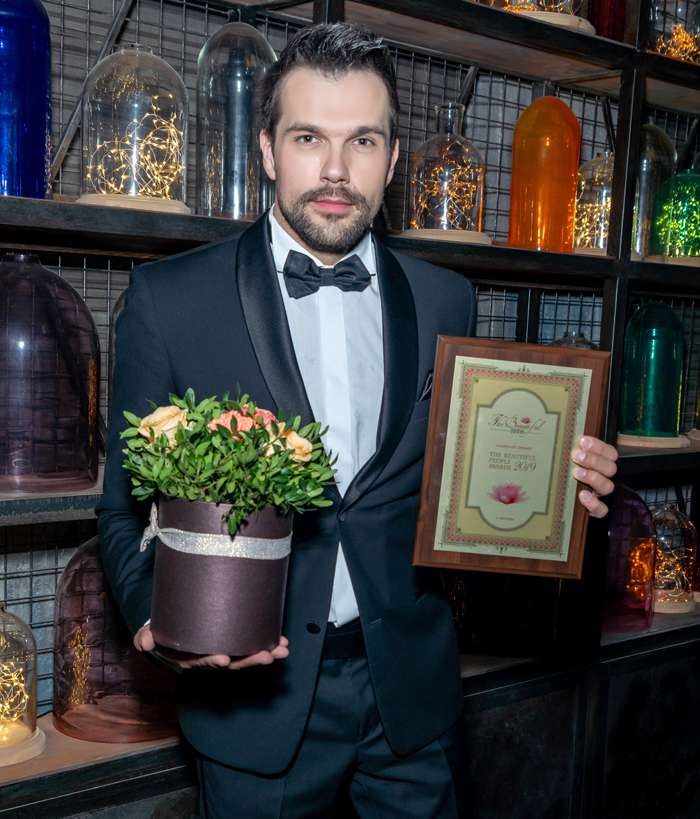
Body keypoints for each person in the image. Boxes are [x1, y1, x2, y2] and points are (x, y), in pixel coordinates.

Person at [97, 22, 618, 819]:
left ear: (395, 159)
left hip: (411, 698)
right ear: (267, 150)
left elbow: (464, 488)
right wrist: (151, 618)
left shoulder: (447, 300)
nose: (336, 170)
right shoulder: (169, 301)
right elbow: (121, 510)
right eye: (309, 137)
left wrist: (562, 485)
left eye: (363, 141)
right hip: (253, 702)